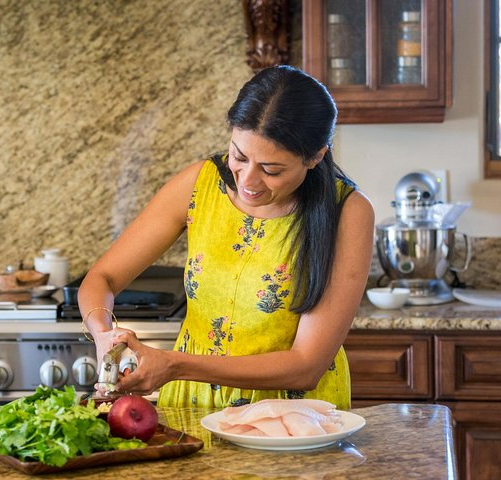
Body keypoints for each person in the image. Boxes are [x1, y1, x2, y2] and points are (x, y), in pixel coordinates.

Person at [78, 65, 374, 409]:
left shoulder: (347, 212)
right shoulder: (198, 185)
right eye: (239, 156)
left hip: (294, 419)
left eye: (271, 169)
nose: (248, 179)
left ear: (316, 156)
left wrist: (175, 365)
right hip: (193, 406)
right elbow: (102, 278)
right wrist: (103, 335)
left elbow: (306, 366)